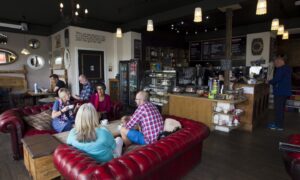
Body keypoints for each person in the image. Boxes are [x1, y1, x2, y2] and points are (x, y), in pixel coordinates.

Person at [267, 54, 292, 131]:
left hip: (280, 92)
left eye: (276, 62)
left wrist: (269, 81)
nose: (275, 63)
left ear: (280, 61)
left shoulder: (281, 69)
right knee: (280, 109)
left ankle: (279, 126)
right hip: (284, 92)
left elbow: (276, 80)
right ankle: (278, 123)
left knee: (278, 109)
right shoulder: (288, 68)